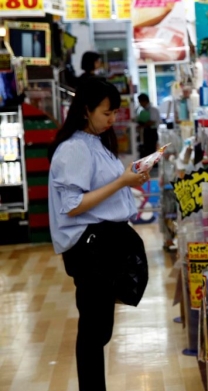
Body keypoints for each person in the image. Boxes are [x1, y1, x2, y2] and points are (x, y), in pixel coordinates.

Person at [48, 78, 149, 391]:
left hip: (103, 244)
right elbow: (73, 205)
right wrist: (121, 183)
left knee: (99, 328)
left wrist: (128, 180)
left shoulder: (97, 143)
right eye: (107, 112)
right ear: (86, 110)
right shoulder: (74, 148)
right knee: (94, 330)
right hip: (90, 249)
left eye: (115, 112)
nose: (112, 119)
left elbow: (99, 191)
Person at [135, 93, 161, 158]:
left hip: (152, 132)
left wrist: (142, 125)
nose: (140, 104)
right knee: (146, 150)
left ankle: (154, 166)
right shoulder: (142, 110)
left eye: (140, 102)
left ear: (145, 101)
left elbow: (151, 122)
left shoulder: (153, 109)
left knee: (151, 150)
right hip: (146, 132)